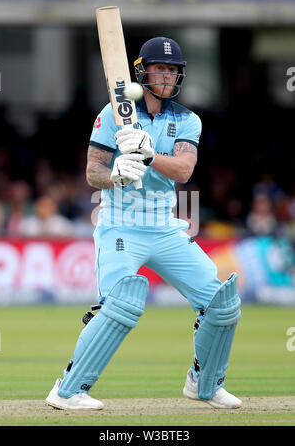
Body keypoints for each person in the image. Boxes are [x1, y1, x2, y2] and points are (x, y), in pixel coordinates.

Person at [46, 37, 242, 410]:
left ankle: (205, 383)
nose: (167, 76)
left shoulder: (187, 119)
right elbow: (93, 172)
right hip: (120, 225)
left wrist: (149, 155)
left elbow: (184, 170)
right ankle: (68, 390)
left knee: (222, 302)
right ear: (143, 72)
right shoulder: (112, 113)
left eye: (173, 70)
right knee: (120, 304)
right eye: (160, 69)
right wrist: (116, 172)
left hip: (164, 226)